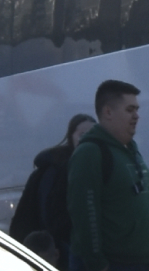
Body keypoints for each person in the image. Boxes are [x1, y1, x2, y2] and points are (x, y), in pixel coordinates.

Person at [65, 85, 149, 271]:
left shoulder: (129, 149)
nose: (137, 116)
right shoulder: (90, 153)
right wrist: (97, 266)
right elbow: (84, 211)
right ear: (108, 112)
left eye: (137, 109)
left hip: (146, 265)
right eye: (130, 110)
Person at [9, 112, 93, 262]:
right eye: (82, 134)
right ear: (71, 138)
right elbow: (55, 218)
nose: (87, 139)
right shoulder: (58, 172)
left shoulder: (94, 166)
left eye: (92, 134)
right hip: (62, 253)